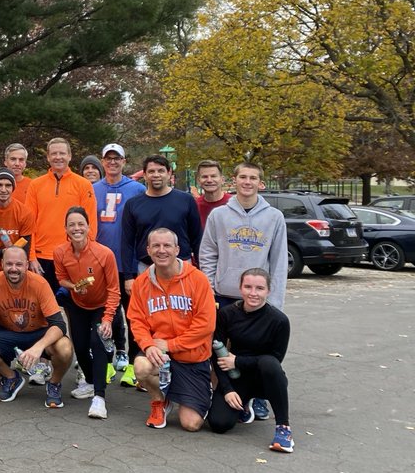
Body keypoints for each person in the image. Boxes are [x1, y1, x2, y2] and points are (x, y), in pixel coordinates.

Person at [128, 228, 216, 431]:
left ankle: (202, 389)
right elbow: (137, 321)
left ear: (177, 249)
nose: (161, 250)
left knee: (191, 424)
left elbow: (206, 325)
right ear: (148, 250)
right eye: (156, 246)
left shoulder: (198, 279)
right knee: (141, 366)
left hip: (192, 357)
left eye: (167, 245)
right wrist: (148, 345)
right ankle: (160, 401)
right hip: (161, 355)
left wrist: (171, 345)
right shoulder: (141, 283)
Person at [0, 246, 73, 407]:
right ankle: (11, 378)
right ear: (2, 264)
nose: (14, 269)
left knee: (65, 348)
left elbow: (59, 324)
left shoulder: (40, 283)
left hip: (38, 333)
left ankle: (54, 383)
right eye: (9, 264)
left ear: (26, 265)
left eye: (18, 264)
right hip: (8, 333)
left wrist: (38, 347)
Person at [207, 268, 294, 452]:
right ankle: (244, 405)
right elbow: (217, 355)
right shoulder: (226, 314)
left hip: (265, 379)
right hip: (236, 376)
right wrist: (227, 389)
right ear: (240, 288)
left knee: (269, 364)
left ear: (268, 291)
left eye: (259, 288)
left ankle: (283, 428)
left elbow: (275, 360)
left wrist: (238, 361)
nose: (253, 293)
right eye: (248, 287)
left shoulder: (279, 321)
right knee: (219, 423)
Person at [52, 207, 120, 419]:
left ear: (89, 227)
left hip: (101, 306)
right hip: (78, 305)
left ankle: (99, 397)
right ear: (65, 229)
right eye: (71, 225)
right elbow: (61, 278)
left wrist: (108, 319)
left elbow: (114, 290)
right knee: (80, 348)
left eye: (81, 224)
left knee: (97, 343)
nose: (77, 228)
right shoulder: (60, 252)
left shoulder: (104, 254)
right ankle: (91, 382)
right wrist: (73, 287)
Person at [199, 161, 288, 309]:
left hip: (258, 297)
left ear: (261, 184)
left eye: (253, 178)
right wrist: (209, 288)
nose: (247, 182)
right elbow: (208, 254)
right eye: (243, 177)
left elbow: (279, 262)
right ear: (234, 181)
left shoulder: (274, 217)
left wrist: (275, 302)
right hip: (223, 295)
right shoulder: (218, 215)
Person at [92, 143, 146, 382]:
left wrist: (135, 267)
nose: (112, 162)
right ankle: (107, 361)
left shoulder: (136, 189)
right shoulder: (92, 189)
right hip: (101, 265)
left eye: (117, 158)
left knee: (134, 317)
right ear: (103, 161)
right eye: (108, 158)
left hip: (128, 265)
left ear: (124, 161)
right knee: (106, 318)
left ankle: (134, 364)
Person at [120, 154, 203, 289]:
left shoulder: (186, 200)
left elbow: (197, 238)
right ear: (145, 175)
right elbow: (127, 242)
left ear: (169, 173)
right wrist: (128, 277)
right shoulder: (133, 204)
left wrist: (201, 270)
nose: (156, 175)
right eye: (151, 171)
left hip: (182, 267)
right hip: (147, 268)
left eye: (161, 171)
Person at [27, 138, 97, 292]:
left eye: (62, 153)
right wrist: (31, 257)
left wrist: (85, 256)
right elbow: (28, 225)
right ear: (48, 157)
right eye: (54, 154)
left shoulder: (83, 184)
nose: (58, 157)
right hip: (42, 257)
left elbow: (90, 224)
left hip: (72, 256)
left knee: (74, 303)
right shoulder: (35, 185)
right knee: (42, 304)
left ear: (69, 156)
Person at [0, 170, 35, 276]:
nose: (3, 190)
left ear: (13, 188)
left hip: (13, 270)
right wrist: (4, 251)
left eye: (8, 185)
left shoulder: (25, 212)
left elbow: (24, 249)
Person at [194, 159, 231, 231]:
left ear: (222, 180)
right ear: (198, 181)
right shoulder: (194, 207)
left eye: (213, 176)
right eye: (205, 177)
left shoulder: (235, 204)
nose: (209, 180)